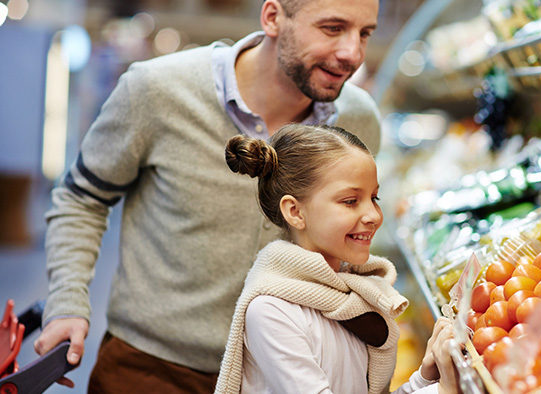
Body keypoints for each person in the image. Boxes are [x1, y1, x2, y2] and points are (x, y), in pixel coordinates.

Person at [34, 0, 382, 392]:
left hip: (286, 373)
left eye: (365, 33)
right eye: (332, 28)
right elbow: (83, 197)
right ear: (272, 18)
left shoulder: (359, 119)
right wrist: (67, 301)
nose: (353, 53)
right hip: (151, 371)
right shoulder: (156, 90)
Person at [215, 124, 459, 394]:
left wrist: (425, 378)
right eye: (350, 201)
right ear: (295, 211)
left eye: (374, 197)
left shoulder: (350, 298)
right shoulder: (272, 312)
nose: (374, 215)